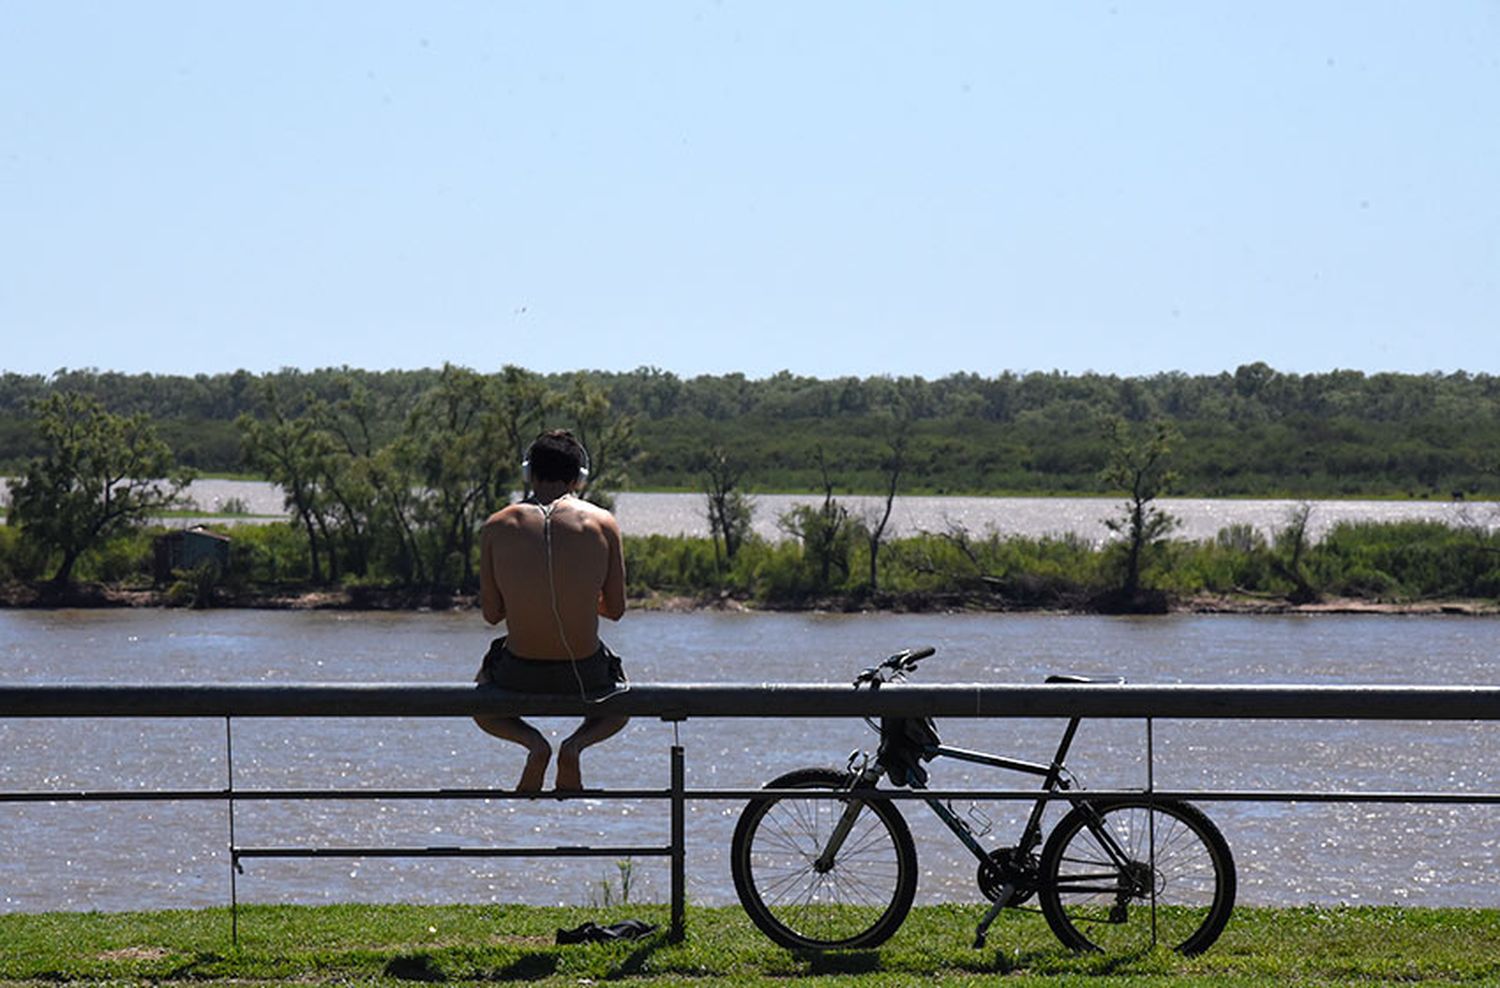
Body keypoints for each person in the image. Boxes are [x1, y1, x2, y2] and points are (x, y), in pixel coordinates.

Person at [474, 429, 629, 792]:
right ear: (579, 477)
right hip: (586, 673)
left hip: (517, 672)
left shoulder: (496, 526)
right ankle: (574, 747)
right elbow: (616, 610)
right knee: (621, 706)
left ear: (528, 473)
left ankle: (534, 744)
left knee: (479, 703)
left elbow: (492, 614)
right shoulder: (603, 523)